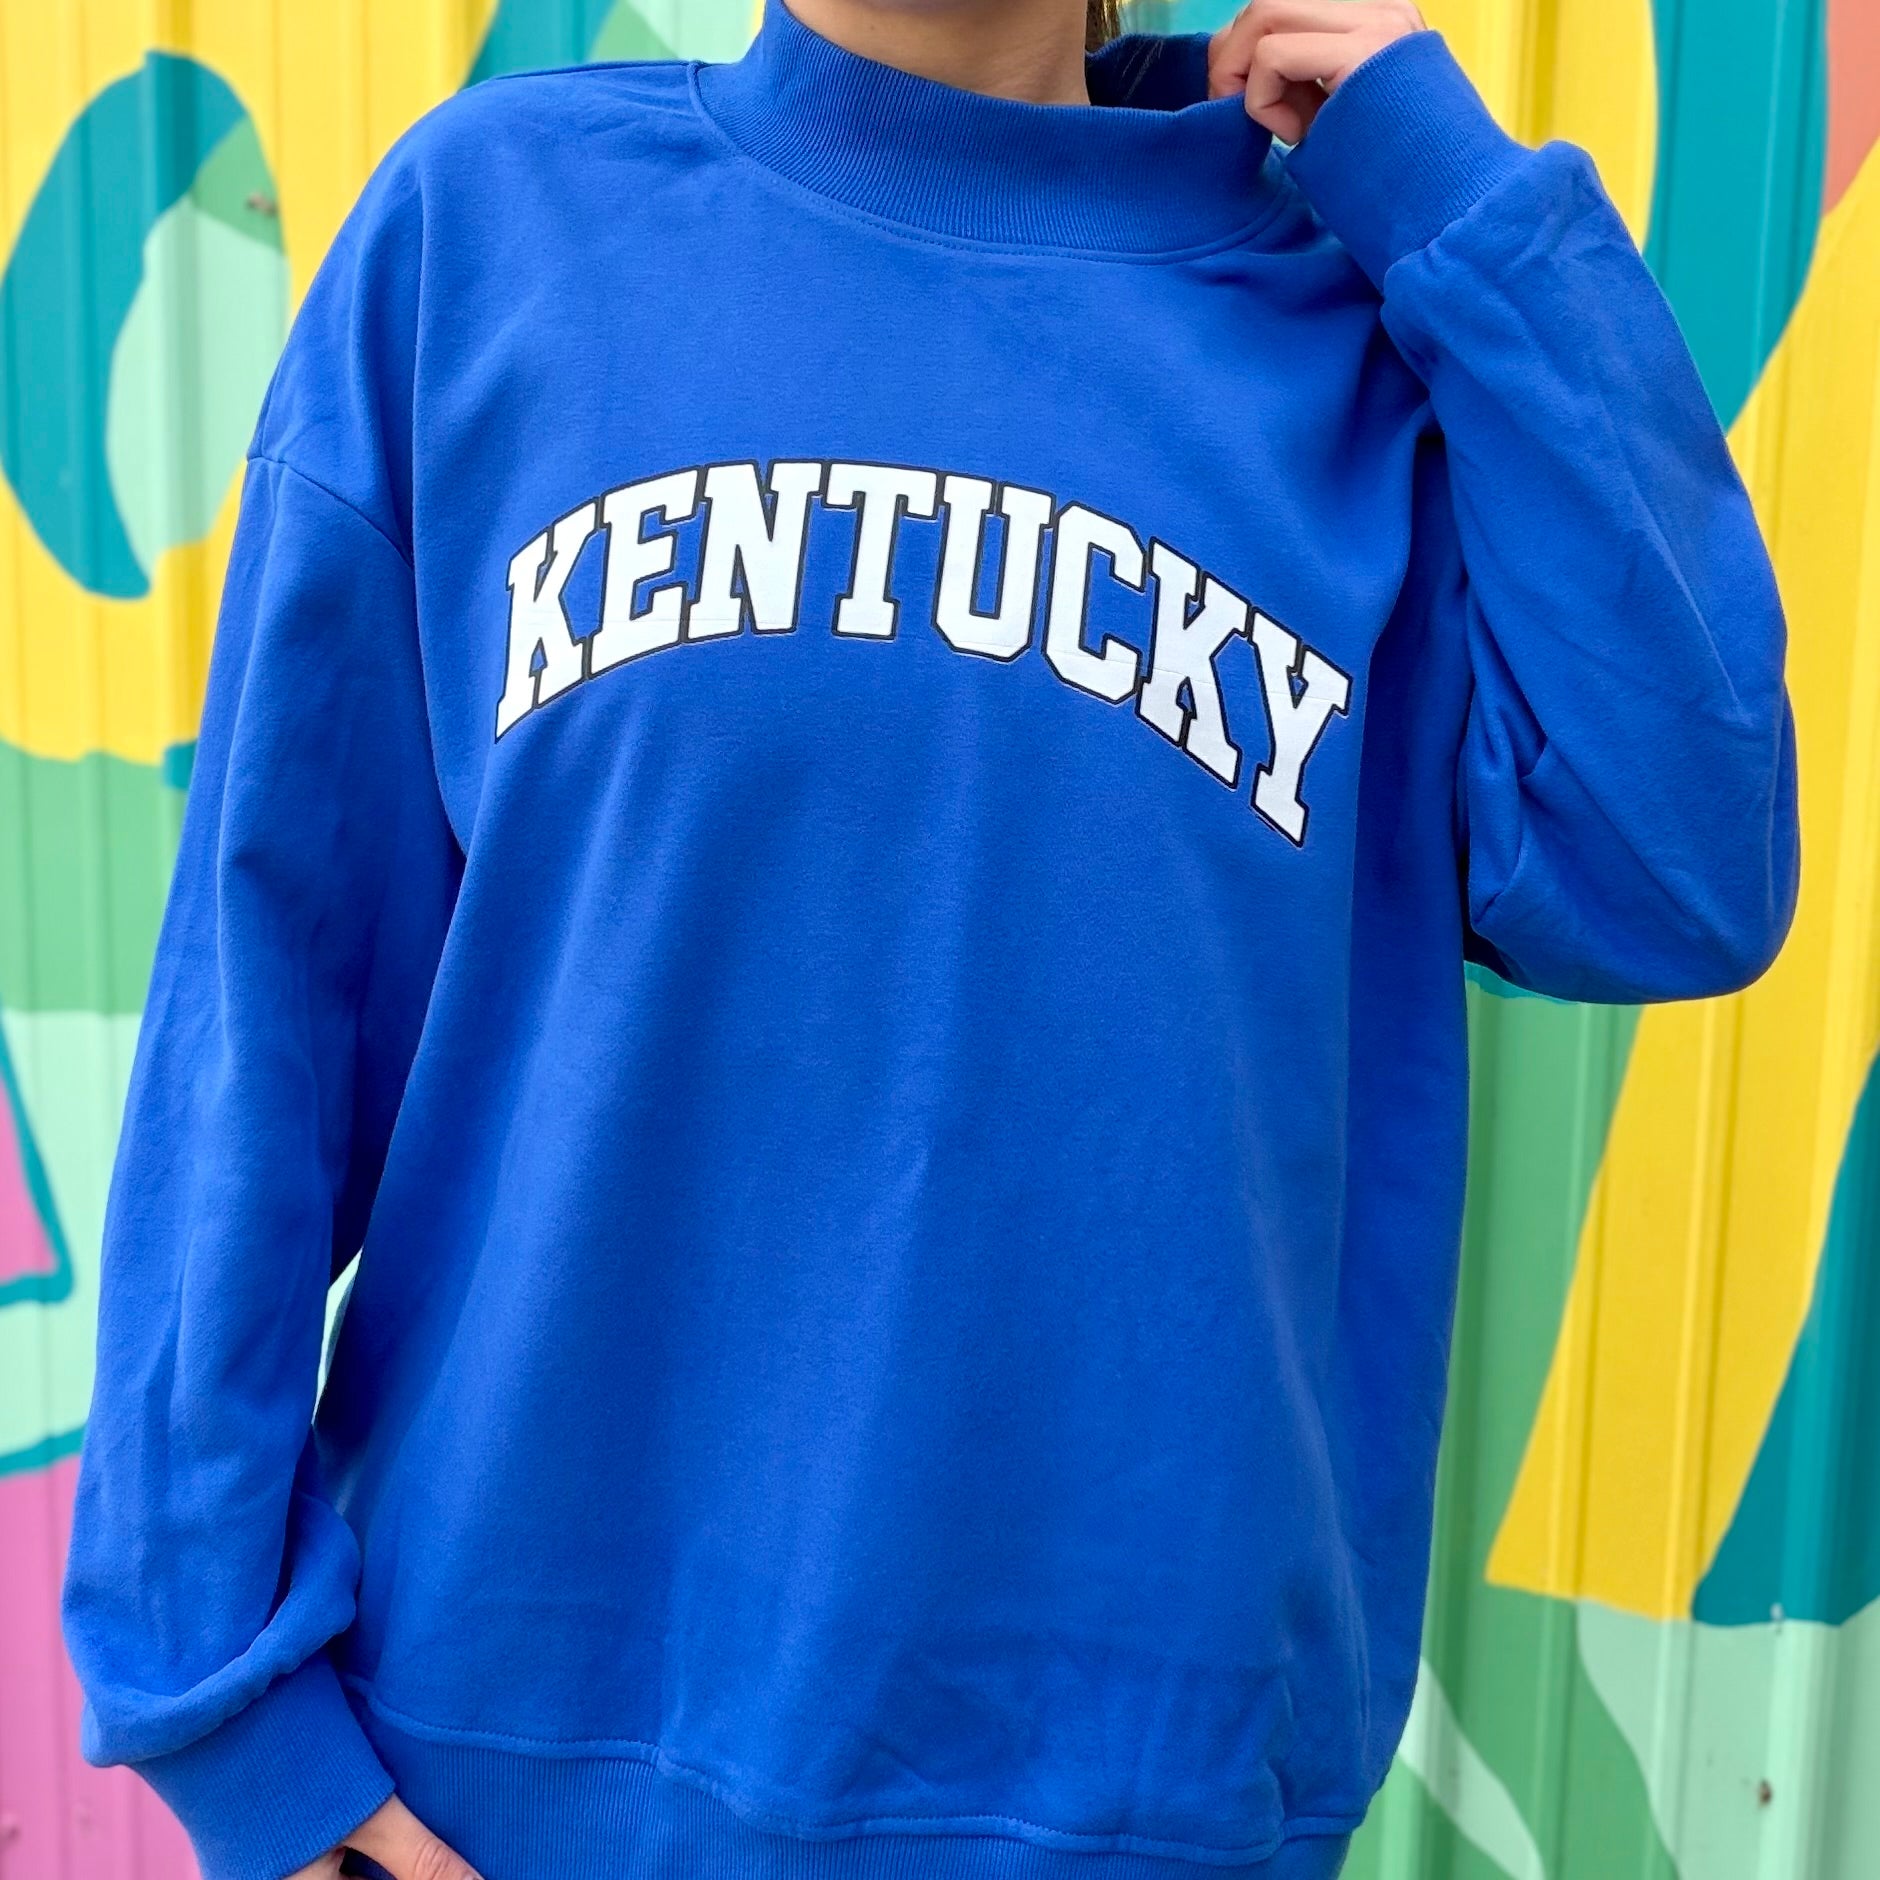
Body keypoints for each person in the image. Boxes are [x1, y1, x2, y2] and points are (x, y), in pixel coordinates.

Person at [59, 0, 1800, 1876]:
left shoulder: (1355, 321)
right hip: (500, 1793)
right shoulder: (493, 235)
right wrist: (239, 1729)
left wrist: (1458, 203)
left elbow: (1680, 865)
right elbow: (262, 1014)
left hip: (1138, 1810)